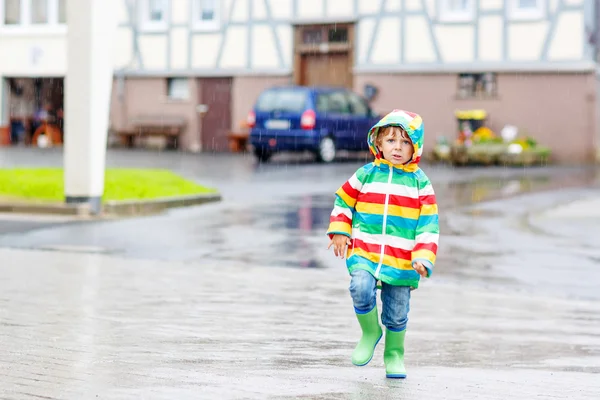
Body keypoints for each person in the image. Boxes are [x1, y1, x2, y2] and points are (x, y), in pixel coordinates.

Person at [326, 109, 439, 379]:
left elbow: (429, 224)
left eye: (405, 142)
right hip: (365, 249)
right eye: (391, 141)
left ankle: (394, 353)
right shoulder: (366, 174)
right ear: (378, 142)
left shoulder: (420, 183)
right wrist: (340, 229)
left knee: (397, 312)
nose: (397, 148)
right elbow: (344, 201)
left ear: (416, 147)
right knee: (360, 286)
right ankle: (369, 332)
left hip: (403, 259)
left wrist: (424, 257)